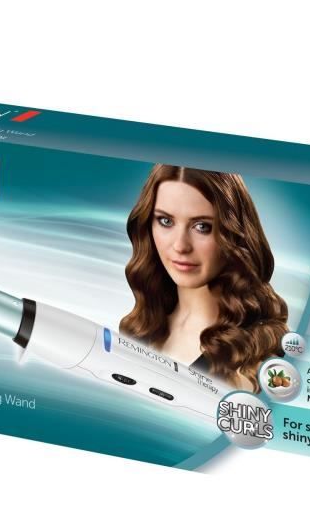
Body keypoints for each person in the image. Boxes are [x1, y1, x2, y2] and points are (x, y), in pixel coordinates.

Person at [120, 164, 288, 392]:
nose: (180, 246)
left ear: (234, 233)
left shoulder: (257, 359)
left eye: (202, 227)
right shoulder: (139, 328)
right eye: (166, 221)